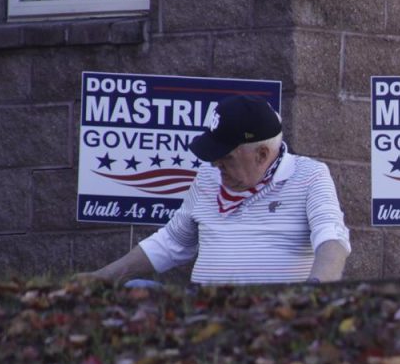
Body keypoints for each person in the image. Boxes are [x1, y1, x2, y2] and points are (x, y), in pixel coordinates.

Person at [85, 95, 350, 285]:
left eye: (226, 156)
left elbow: (332, 240)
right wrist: (100, 278)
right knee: (134, 291)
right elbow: (172, 242)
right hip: (203, 310)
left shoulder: (309, 175)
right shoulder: (207, 178)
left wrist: (314, 294)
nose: (214, 163)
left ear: (261, 154)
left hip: (274, 315)